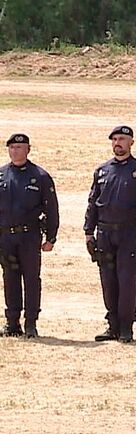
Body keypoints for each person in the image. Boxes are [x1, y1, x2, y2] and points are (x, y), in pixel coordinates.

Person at [85, 126, 136, 343]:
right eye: (115, 139)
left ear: (131, 143)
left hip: (128, 234)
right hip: (105, 233)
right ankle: (112, 325)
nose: (118, 143)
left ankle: (126, 327)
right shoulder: (102, 171)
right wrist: (89, 232)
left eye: (122, 139)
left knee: (127, 281)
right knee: (108, 280)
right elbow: (93, 203)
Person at [0, 134, 59, 338]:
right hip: (6, 237)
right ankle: (12, 322)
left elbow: (52, 209)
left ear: (28, 150)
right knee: (10, 278)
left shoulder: (40, 176)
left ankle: (31, 323)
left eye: (19, 147)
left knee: (31, 279)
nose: (15, 150)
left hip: (29, 236)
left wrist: (51, 237)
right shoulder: (2, 174)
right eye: (12, 147)